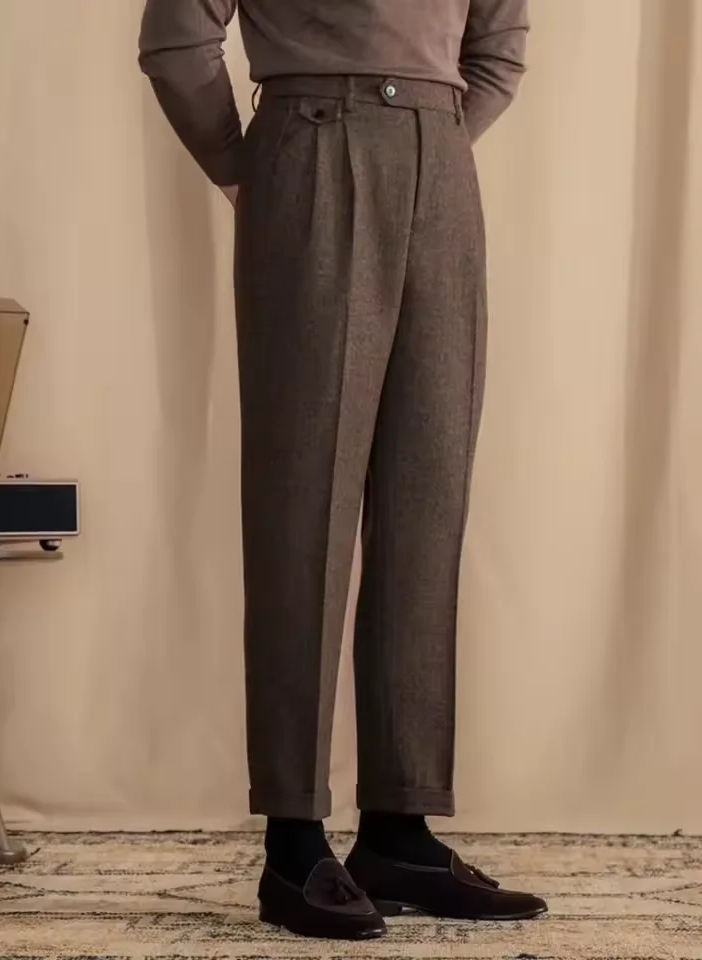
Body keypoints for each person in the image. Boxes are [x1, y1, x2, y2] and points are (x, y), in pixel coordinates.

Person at [139, 0, 547, 940]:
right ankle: (293, 840)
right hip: (312, 147)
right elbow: (175, 40)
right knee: (302, 503)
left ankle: (400, 828)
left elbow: (500, 44)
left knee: (427, 501)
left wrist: (428, 143)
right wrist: (248, 164)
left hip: (441, 165)